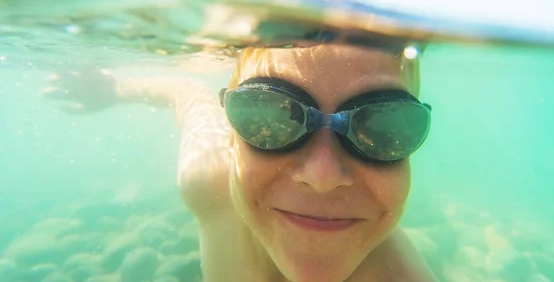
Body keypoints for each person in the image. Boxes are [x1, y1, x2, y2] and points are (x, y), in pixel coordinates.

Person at [44, 43, 437, 282]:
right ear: (232, 135)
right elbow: (187, 92)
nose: (322, 177)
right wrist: (118, 89)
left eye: (385, 127)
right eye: (266, 117)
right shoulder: (209, 179)